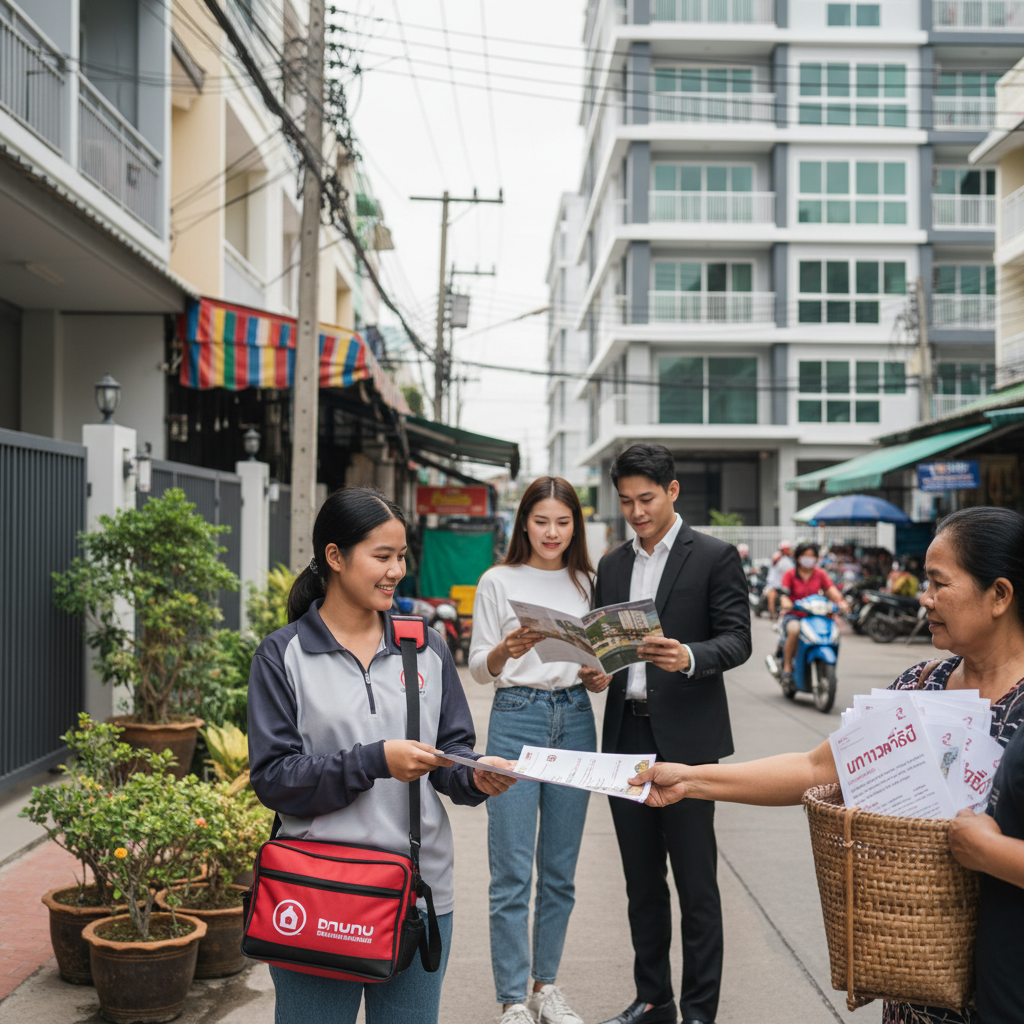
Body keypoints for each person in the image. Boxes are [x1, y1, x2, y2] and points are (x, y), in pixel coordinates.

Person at [630, 506, 1024, 1024]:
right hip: (913, 988)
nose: (923, 598)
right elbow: (818, 769)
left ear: (999, 595)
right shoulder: (920, 684)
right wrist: (690, 779)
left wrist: (988, 851)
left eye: (938, 583)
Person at [247, 486, 515, 1024]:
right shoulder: (282, 655)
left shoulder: (426, 646)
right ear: (335, 556)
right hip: (318, 888)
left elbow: (449, 753)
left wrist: (475, 777)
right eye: (382, 556)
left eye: (401, 556)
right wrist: (374, 761)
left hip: (417, 889)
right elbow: (274, 779)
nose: (397, 571)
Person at [578, 443, 752, 1024]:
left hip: (689, 743)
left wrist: (689, 657)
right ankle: (654, 999)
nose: (636, 512)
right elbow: (607, 647)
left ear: (673, 491)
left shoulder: (715, 556)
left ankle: (699, 1011)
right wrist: (597, 671)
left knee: (697, 884)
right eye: (626, 501)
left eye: (646, 499)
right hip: (626, 736)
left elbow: (737, 639)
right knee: (641, 883)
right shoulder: (611, 566)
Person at [469, 477, 597, 1024]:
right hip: (516, 714)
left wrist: (599, 677)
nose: (552, 532)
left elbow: (597, 663)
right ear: (523, 522)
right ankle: (513, 1000)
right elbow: (479, 669)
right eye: (541, 521)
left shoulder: (588, 581)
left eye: (563, 522)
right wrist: (505, 648)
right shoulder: (497, 580)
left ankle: (545, 988)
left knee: (560, 870)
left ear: (575, 526)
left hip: (576, 717)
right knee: (512, 871)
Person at [779, 542, 850, 685]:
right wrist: (786, 602)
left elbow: (831, 590)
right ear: (798, 558)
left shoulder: (820, 574)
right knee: (794, 630)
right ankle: (787, 667)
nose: (808, 559)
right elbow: (783, 594)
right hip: (795, 615)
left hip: (816, 616)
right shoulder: (790, 574)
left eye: (811, 556)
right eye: (805, 556)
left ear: (816, 558)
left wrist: (840, 601)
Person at [764, 540, 794, 622]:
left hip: (780, 584)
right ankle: (773, 616)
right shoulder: (783, 559)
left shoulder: (784, 559)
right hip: (776, 585)